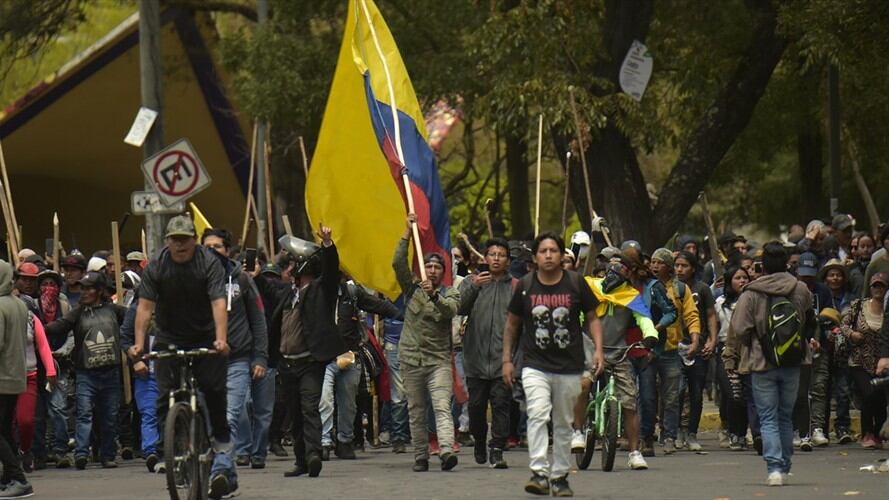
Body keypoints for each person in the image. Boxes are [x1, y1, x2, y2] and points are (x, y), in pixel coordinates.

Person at [128, 216, 232, 494]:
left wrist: (221, 339)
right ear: (167, 241)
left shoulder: (208, 263)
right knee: (163, 397)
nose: (180, 245)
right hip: (169, 336)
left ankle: (221, 440)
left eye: (185, 239)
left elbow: (219, 303)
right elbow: (144, 309)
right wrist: (139, 345)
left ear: (194, 240)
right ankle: (174, 447)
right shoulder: (158, 267)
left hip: (205, 335)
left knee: (213, 389)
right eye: (174, 239)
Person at [502, 232, 605, 497]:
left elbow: (593, 318)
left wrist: (598, 351)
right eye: (543, 251)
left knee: (563, 422)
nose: (548, 255)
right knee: (537, 413)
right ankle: (538, 471)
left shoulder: (575, 283)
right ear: (535, 257)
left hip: (569, 365)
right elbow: (512, 325)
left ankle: (559, 476)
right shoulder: (525, 285)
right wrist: (506, 360)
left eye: (553, 251)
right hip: (534, 363)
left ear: (561, 255)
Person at [729, 242, 816, 487]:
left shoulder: (751, 292)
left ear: (762, 265)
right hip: (794, 360)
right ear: (788, 263)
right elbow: (809, 319)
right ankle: (785, 466)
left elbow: (740, 329)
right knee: (785, 416)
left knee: (767, 417)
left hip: (761, 362)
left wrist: (757, 342)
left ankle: (774, 468)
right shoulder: (800, 289)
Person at [269, 224, 346, 479]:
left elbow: (332, 271)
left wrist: (327, 244)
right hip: (287, 363)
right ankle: (302, 460)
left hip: (310, 361)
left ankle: (314, 455)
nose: (288, 269)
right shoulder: (287, 294)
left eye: (292, 264)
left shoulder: (320, 290)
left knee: (309, 406)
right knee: (295, 413)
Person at [202, 228, 268, 494]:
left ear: (227, 250)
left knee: (228, 417)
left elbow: (258, 320)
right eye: (206, 246)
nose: (212, 250)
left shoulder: (241, 279)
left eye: (217, 246)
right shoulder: (194, 279)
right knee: (206, 420)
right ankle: (227, 474)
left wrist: (260, 356)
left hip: (237, 360)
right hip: (204, 360)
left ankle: (218, 471)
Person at [393, 214, 460, 473]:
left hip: (438, 362)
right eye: (428, 266)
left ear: (443, 273)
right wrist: (407, 232)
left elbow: (450, 311)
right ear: (423, 269)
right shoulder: (411, 289)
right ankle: (420, 456)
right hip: (411, 360)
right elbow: (397, 262)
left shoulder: (449, 293)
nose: (432, 270)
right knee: (416, 410)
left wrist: (435, 298)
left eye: (437, 268)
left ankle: (446, 451)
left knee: (442, 407)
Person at [582, 254, 658, 470]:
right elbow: (576, 309)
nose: (616, 270)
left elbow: (644, 319)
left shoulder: (631, 296)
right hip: (589, 350)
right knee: (581, 386)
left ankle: (635, 452)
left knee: (629, 402)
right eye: (613, 265)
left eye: (623, 267)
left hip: (619, 352)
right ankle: (578, 431)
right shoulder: (590, 286)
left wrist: (650, 336)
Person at [44, 271, 126, 470]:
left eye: (89, 288)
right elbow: (59, 326)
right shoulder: (78, 312)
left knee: (109, 416)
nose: (84, 292)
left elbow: (134, 320)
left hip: (111, 373)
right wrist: (38, 328)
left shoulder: (115, 311)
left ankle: (107, 456)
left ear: (99, 291)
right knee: (84, 415)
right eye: (82, 288)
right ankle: (81, 453)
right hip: (85, 374)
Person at [320, 278, 399, 460]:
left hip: (349, 356)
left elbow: (376, 305)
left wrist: (401, 314)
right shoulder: (317, 291)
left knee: (348, 404)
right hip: (324, 357)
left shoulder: (352, 292)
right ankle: (324, 442)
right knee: (325, 400)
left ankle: (345, 441)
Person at [458, 237, 513, 469]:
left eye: (501, 255)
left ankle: (497, 448)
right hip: (476, 358)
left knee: (501, 405)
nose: (497, 258)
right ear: (485, 257)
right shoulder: (473, 281)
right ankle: (480, 440)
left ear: (508, 261)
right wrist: (474, 286)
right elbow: (458, 306)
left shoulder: (516, 287)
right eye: (492, 254)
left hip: (503, 359)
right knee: (476, 407)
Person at [641, 248, 699, 455]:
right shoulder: (645, 287)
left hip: (671, 351)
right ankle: (646, 436)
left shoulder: (681, 290)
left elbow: (691, 316)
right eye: (653, 262)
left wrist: (694, 340)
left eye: (660, 262)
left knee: (673, 397)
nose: (655, 266)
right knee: (647, 396)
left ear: (668, 267)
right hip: (648, 350)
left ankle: (669, 437)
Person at [674, 251, 717, 451]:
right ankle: (675, 432)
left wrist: (712, 340)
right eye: (677, 265)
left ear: (692, 268)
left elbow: (710, 316)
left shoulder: (702, 289)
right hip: (675, 347)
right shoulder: (670, 289)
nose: (679, 269)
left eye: (684, 265)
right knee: (677, 392)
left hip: (698, 347)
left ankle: (692, 433)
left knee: (696, 393)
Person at [0, 260, 35, 498]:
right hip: (15, 375)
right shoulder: (19, 304)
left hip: (1, 376)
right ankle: (9, 477)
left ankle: (19, 478)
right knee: (3, 428)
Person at [841, 273, 888, 448]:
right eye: (875, 286)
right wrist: (853, 334)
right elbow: (843, 325)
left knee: (881, 398)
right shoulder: (858, 306)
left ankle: (878, 434)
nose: (878, 289)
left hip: (882, 361)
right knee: (869, 394)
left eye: (882, 286)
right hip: (860, 360)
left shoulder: (888, 310)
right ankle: (867, 432)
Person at [32, 269, 73, 470]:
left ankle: (60, 451)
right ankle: (39, 453)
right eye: (44, 283)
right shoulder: (32, 308)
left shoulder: (65, 307)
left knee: (58, 409)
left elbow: (71, 333)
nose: (48, 288)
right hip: (36, 367)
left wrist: (62, 352)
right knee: (37, 413)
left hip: (60, 365)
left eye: (53, 284)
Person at [715, 265, 751, 450]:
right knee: (731, 393)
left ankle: (742, 433)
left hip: (747, 349)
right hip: (725, 349)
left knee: (745, 394)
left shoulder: (753, 300)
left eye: (745, 277)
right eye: (738, 278)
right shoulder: (720, 303)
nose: (742, 281)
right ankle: (732, 430)